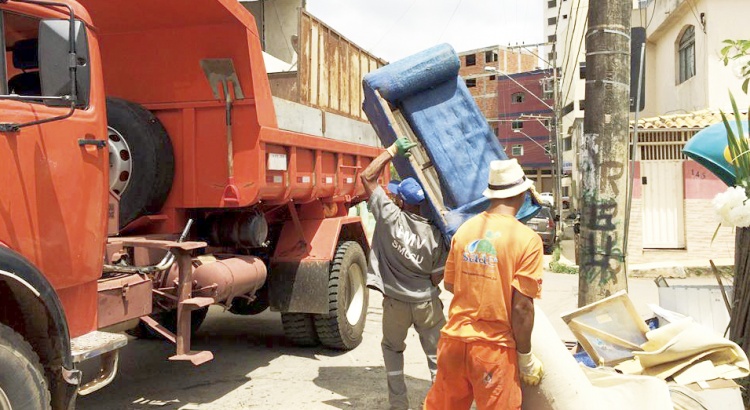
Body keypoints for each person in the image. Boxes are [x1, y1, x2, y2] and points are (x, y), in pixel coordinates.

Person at [423, 158, 545, 410]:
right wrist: (526, 357)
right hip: (493, 351)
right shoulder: (527, 239)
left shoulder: (466, 231)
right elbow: (522, 308)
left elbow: (451, 285)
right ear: (522, 194)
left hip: (453, 343)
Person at [360, 137, 448, 410]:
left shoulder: (388, 216)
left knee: (392, 350)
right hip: (426, 304)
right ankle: (438, 403)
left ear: (401, 201)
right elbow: (436, 278)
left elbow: (367, 176)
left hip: (395, 302)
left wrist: (392, 151)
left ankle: (398, 404)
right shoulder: (435, 234)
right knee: (437, 357)